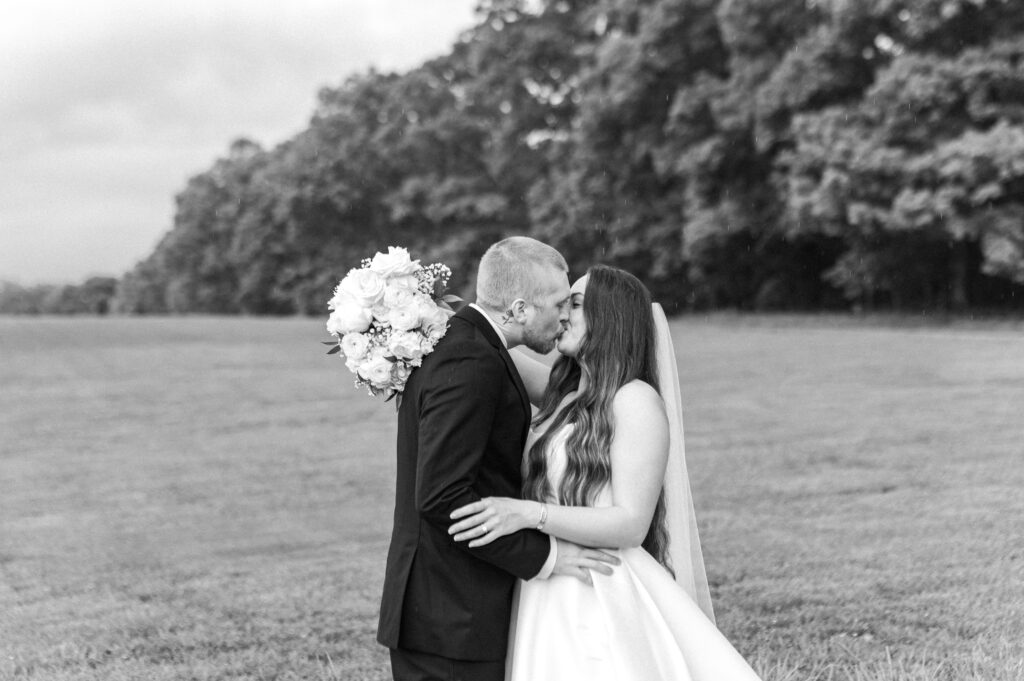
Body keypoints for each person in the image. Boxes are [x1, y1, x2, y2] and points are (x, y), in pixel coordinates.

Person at [448, 265, 764, 681]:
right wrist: (436, 317)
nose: (561, 314)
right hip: (546, 581)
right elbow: (492, 347)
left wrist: (527, 514)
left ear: (609, 317)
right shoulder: (565, 393)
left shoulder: (634, 400)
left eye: (574, 304)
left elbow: (631, 523)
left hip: (599, 589)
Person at [377, 238, 620, 681]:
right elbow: (440, 496)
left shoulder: (472, 344)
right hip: (450, 615)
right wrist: (545, 556)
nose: (565, 315)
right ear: (522, 309)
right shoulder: (471, 359)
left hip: (449, 612)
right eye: (560, 303)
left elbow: (565, 396)